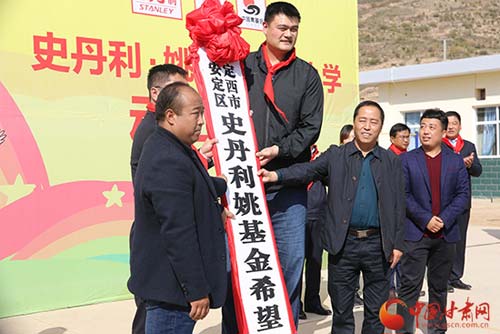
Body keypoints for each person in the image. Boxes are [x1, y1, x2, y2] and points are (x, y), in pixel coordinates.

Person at [259, 100, 405, 334]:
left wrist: (398, 244)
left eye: (373, 122)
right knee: (342, 312)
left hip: (378, 245)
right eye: (362, 120)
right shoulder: (336, 156)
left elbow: (399, 203)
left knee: (376, 313)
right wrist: (276, 175)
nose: (367, 126)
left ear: (381, 127)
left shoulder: (391, 161)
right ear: (355, 123)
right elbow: (307, 170)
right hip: (343, 244)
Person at [222, 2, 324, 330]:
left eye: (293, 29)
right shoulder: (241, 66)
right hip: (244, 186)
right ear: (265, 27)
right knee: (238, 267)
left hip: (287, 186)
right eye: (281, 27)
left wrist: (279, 149)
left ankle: (285, 326)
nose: (288, 34)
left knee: (290, 265)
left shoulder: (307, 75)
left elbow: (311, 128)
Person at [128, 82, 229, 334]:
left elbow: (193, 186)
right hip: (173, 292)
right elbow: (178, 233)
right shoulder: (168, 159)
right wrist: (195, 290)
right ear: (171, 116)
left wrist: (225, 184)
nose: (202, 121)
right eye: (196, 113)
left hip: (172, 286)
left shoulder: (170, 147)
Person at [397, 109, 469, 333]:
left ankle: (437, 330)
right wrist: (426, 219)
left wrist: (444, 219)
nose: (425, 131)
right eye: (423, 126)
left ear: (444, 131)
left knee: (439, 289)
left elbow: (463, 195)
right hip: (416, 234)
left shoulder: (456, 161)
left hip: (445, 236)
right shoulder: (407, 160)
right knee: (409, 289)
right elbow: (403, 194)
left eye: (431, 127)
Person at [444, 111, 482, 291]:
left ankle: (455, 276)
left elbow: (478, 171)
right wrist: (460, 162)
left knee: (460, 240)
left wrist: (471, 164)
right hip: (443, 202)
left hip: (463, 202)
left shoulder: (468, 146)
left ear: (460, 126)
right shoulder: (439, 146)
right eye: (448, 123)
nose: (451, 126)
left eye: (455, 123)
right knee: (444, 241)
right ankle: (442, 278)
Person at [298, 145, 331, 320]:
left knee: (315, 260)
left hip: (319, 215)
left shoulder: (321, 157)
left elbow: (330, 179)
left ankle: (313, 300)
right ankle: (296, 304)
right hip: (299, 214)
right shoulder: (296, 153)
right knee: (297, 262)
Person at [387, 123, 411, 299]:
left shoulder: (409, 157)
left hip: (406, 212)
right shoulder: (387, 157)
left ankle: (403, 288)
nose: (406, 140)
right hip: (391, 211)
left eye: (408, 136)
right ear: (392, 138)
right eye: (402, 137)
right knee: (390, 254)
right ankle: (389, 288)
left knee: (405, 253)